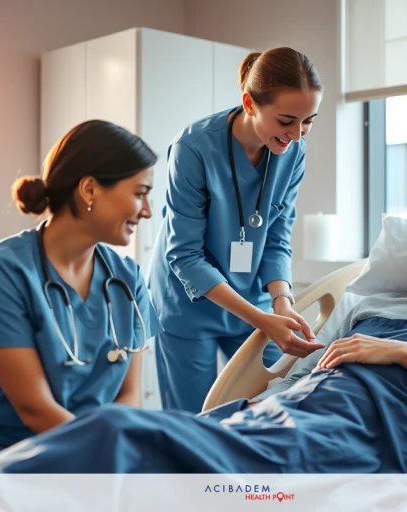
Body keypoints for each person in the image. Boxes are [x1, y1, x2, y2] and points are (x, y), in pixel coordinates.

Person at [0, 181, 407, 475]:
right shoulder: (370, 306)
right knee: (139, 434)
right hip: (303, 409)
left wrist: (405, 355)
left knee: (121, 433)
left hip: (369, 427)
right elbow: (309, 378)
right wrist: (256, 406)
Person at [0, 120, 164, 472]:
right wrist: (108, 461)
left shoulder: (128, 278)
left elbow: (128, 398)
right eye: (140, 193)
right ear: (90, 189)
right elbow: (35, 409)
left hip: (76, 456)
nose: (147, 210)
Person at [147, 47, 326, 414]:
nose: (296, 134)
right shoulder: (193, 149)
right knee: (192, 422)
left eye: (308, 121)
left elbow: (277, 236)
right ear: (249, 103)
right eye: (286, 120)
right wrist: (262, 319)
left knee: (274, 404)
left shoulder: (293, 151)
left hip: (252, 297)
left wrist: (282, 300)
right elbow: (185, 254)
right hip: (188, 303)